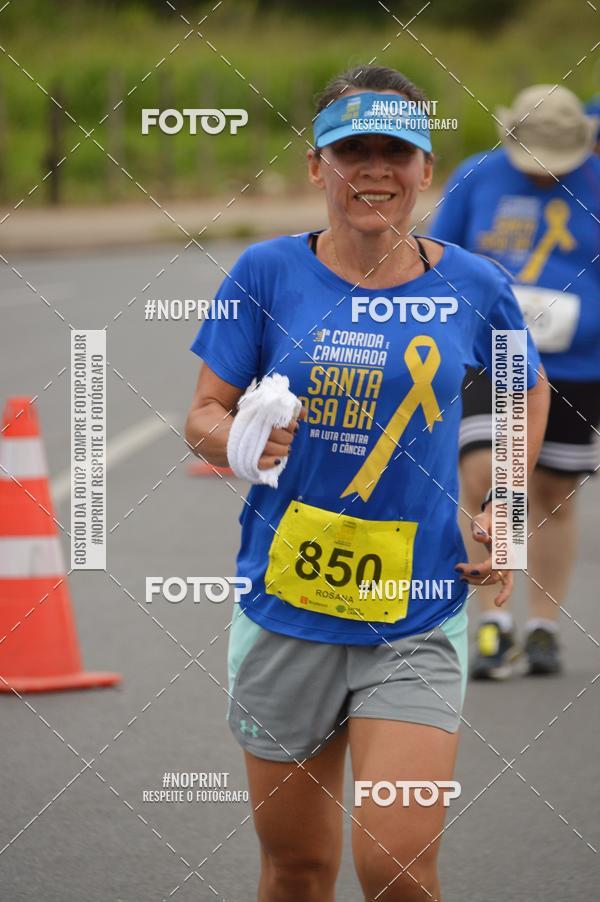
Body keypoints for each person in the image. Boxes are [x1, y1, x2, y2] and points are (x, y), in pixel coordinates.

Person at [185, 66, 549, 902]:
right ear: (318, 167)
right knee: (298, 870)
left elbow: (520, 386)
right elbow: (203, 413)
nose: (375, 170)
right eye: (354, 152)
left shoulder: (473, 284)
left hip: (416, 615)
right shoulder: (266, 273)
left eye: (398, 152)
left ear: (426, 170)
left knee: (395, 868)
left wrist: (506, 504)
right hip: (286, 609)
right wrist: (239, 440)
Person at [430, 85, 600, 679]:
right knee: (485, 474)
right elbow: (438, 256)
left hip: (580, 365)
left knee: (552, 491)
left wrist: (575, 315)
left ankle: (544, 625)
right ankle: (491, 623)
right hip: (492, 354)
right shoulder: (476, 176)